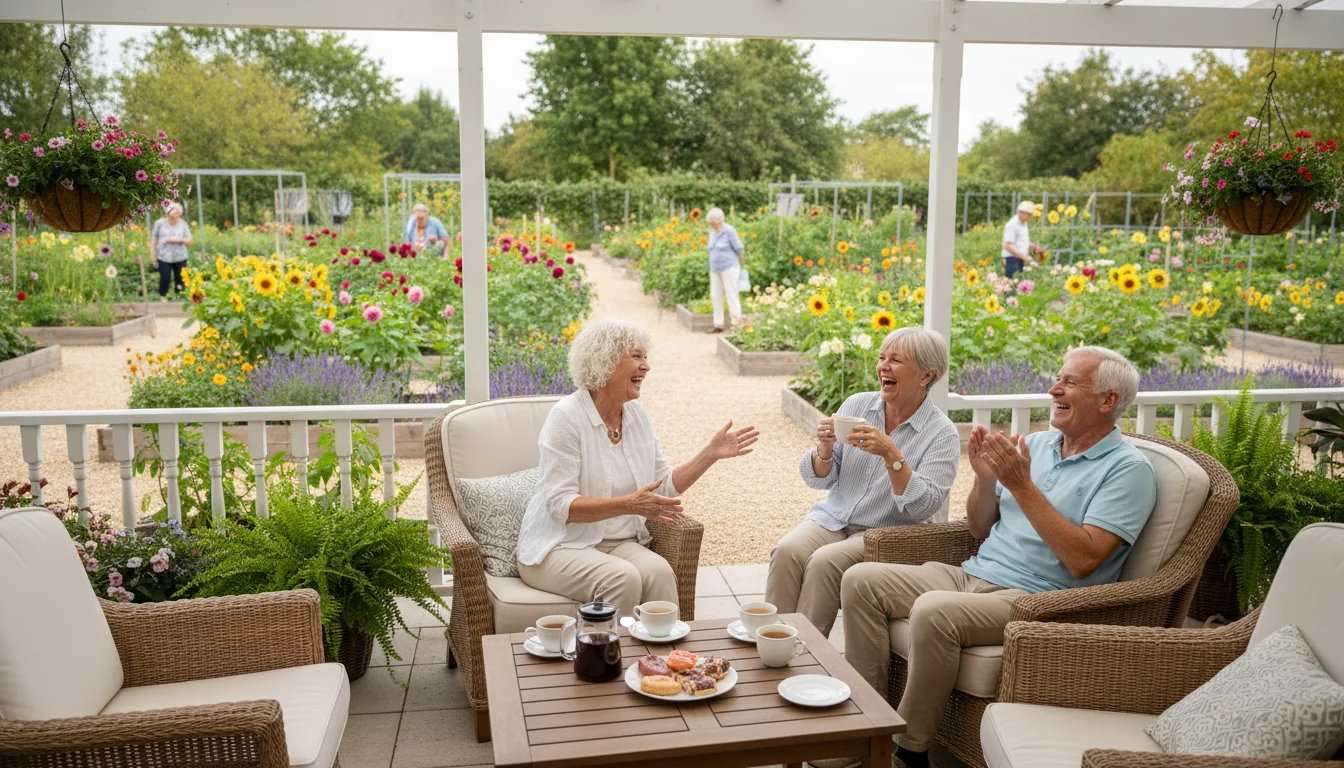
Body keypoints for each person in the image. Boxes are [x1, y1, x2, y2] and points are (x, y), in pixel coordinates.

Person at [824, 346, 1157, 768]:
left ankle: (908, 751)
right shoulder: (1036, 444)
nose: (1054, 388)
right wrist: (984, 481)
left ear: (1108, 400)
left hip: (1039, 597)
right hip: (975, 573)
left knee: (933, 611)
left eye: (1070, 383)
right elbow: (980, 528)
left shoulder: (1128, 470)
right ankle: (865, 728)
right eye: (1058, 378)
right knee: (861, 579)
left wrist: (1021, 486)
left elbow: (1083, 559)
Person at [517, 316, 760, 617]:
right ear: (606, 361)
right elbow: (559, 506)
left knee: (659, 572)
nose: (646, 366)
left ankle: (667, 661)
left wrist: (710, 454)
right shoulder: (567, 418)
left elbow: (664, 487)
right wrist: (630, 504)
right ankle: (613, 663)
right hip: (558, 547)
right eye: (636, 357)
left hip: (617, 543)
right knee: (623, 577)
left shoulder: (637, 416)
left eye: (646, 357)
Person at [765, 327, 960, 639]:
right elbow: (821, 479)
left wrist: (891, 455)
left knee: (824, 563)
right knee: (787, 551)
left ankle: (802, 653)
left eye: (896, 360)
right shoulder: (858, 405)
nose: (883, 366)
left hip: (888, 533)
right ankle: (768, 641)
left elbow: (924, 506)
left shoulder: (941, 433)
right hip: (836, 518)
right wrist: (825, 448)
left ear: (926, 376)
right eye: (882, 357)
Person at [704, 207, 744, 333]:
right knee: (716, 295)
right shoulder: (711, 231)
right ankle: (718, 324)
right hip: (715, 269)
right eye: (711, 222)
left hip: (729, 267)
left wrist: (737, 264)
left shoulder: (729, 230)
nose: (713, 224)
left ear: (720, 220)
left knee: (731, 294)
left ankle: (736, 323)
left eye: (715, 222)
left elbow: (739, 248)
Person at [148, 203, 193, 298]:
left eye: (178, 210)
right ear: (168, 212)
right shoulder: (159, 223)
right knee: (165, 278)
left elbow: (189, 240)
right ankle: (162, 298)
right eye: (174, 210)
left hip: (180, 257)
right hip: (164, 257)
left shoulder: (183, 224)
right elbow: (153, 239)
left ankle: (181, 299)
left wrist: (178, 240)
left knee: (180, 279)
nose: (177, 212)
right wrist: (152, 254)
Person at [1001, 200, 1035, 278]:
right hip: (1011, 260)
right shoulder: (1012, 225)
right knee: (1012, 284)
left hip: (1018, 259)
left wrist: (1031, 245)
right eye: (1029, 214)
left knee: (1018, 283)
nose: (1030, 217)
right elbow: (1007, 245)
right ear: (1021, 212)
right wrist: (1024, 257)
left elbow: (1020, 240)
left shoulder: (1023, 223)